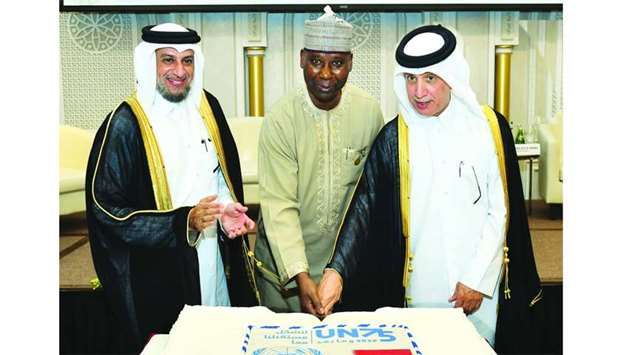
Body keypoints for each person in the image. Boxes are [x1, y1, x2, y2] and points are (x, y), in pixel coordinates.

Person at [318, 24, 545, 353]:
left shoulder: (488, 129)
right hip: (421, 292)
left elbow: (501, 212)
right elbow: (363, 209)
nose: (418, 92)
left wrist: (477, 279)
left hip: (480, 290)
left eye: (429, 78)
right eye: (410, 79)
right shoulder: (395, 138)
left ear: (450, 76)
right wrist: (336, 271)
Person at [85, 23, 258, 352]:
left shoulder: (208, 108)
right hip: (158, 274)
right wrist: (182, 222)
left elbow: (218, 178)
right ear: (149, 62)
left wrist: (224, 211)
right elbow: (107, 210)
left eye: (188, 60)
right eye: (168, 60)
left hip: (210, 262)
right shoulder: (125, 124)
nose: (180, 71)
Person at [252, 6, 384, 316]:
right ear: (301, 59)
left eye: (336, 63)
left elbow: (372, 196)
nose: (325, 74)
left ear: (350, 64)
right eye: (315, 61)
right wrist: (300, 275)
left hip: (344, 273)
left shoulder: (369, 113)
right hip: (283, 276)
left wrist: (339, 269)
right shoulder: (282, 119)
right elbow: (279, 205)